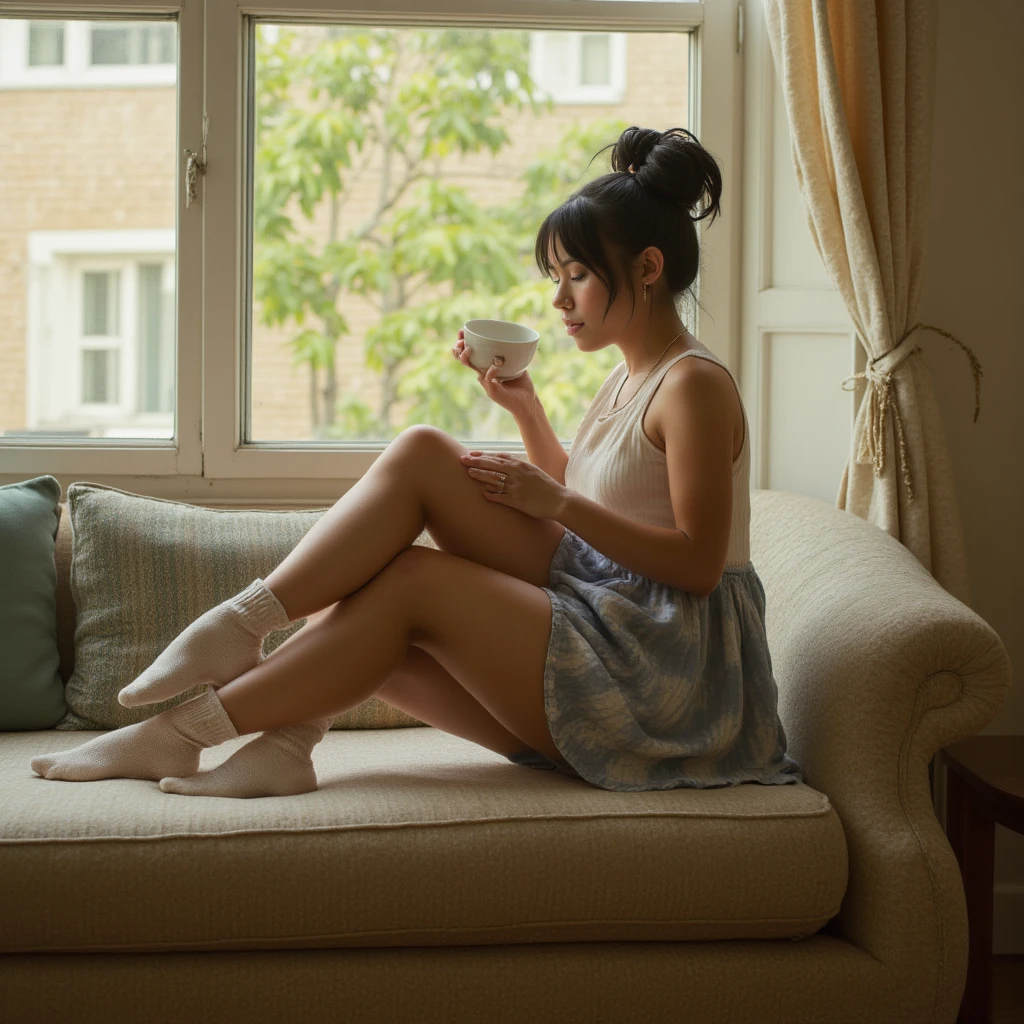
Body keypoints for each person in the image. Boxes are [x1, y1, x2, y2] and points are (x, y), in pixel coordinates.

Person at [30, 125, 802, 797]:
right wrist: (526, 411)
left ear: (647, 268)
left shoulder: (694, 385)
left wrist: (556, 505)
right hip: (608, 611)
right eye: (556, 278)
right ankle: (271, 705)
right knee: (425, 460)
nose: (561, 301)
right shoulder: (631, 371)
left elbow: (697, 565)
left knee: (410, 581)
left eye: (576, 275)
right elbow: (601, 494)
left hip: (662, 677)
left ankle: (185, 729)